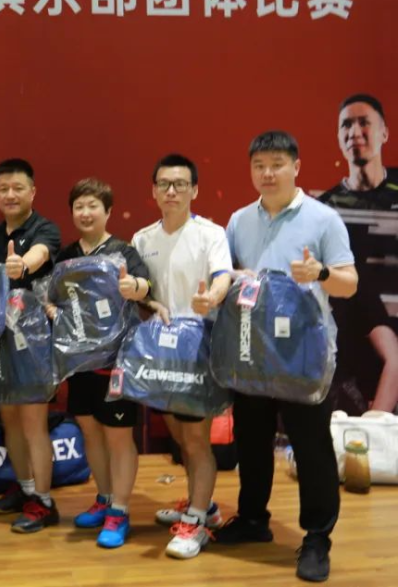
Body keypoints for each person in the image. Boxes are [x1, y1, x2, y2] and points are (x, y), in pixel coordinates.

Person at [216, 131, 357, 584]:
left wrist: (320, 272)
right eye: (259, 165)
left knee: (311, 446)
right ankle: (253, 519)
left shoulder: (323, 219)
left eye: (277, 163)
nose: (268, 173)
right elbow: (226, 276)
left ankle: (317, 537)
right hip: (251, 351)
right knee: (251, 440)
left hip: (304, 355)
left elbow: (349, 283)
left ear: (296, 166)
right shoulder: (239, 220)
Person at [132, 155, 232, 559]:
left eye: (180, 184)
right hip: (159, 353)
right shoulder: (142, 239)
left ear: (195, 190)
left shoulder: (211, 234)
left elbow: (223, 276)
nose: (171, 191)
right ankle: (203, 504)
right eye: (164, 184)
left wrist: (212, 298)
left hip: (199, 351)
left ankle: (196, 522)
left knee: (195, 439)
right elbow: (141, 291)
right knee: (179, 436)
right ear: (154, 191)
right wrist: (148, 301)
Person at [50, 178, 151, 549]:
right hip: (79, 364)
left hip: (117, 362)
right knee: (90, 431)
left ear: (108, 211)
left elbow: (146, 287)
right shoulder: (66, 256)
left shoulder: (124, 252)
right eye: (79, 206)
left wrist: (135, 287)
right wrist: (50, 308)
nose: (85, 212)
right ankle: (105, 498)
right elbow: (53, 297)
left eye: (93, 205)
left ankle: (120, 511)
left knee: (118, 436)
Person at [0, 159, 62, 533]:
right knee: (9, 419)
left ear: (33, 191)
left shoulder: (45, 228)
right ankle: (26, 488)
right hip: (0, 340)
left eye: (18, 188)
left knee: (33, 424)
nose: (10, 195)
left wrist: (22, 265)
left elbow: (40, 254)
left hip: (34, 343)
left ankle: (44, 501)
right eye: (3, 188)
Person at [318, 94, 398, 414]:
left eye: (364, 122)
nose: (355, 132)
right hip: (353, 359)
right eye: (346, 125)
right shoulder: (325, 211)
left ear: (384, 132)